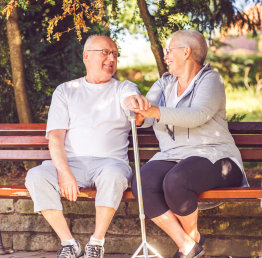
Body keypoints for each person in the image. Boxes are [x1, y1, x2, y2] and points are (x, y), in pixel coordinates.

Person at [25, 35, 150, 258]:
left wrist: (135, 104)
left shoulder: (123, 87)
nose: (111, 58)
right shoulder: (66, 90)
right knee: (36, 176)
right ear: (86, 56)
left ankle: (96, 243)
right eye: (105, 52)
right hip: (72, 164)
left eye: (115, 54)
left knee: (113, 176)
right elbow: (55, 137)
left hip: (111, 164)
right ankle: (69, 243)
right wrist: (64, 173)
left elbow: (131, 99)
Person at [131, 30, 248, 258]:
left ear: (186, 52)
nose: (165, 57)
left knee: (176, 181)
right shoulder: (164, 83)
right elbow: (145, 116)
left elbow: (198, 115)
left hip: (216, 156)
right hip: (172, 155)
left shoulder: (210, 80)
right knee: (141, 182)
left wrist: (154, 112)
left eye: (169, 51)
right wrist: (139, 115)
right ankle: (187, 244)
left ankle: (192, 239)